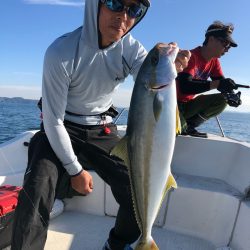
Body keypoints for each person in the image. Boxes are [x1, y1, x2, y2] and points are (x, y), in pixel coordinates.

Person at [11, 0, 190, 249]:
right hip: (61, 126)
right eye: (115, 3)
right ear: (95, 4)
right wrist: (74, 170)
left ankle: (117, 244)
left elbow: (149, 82)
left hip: (101, 129)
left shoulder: (132, 49)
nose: (123, 16)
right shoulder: (61, 52)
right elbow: (53, 121)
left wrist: (170, 65)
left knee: (134, 187)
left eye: (133, 10)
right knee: (37, 188)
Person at [176, 20, 242, 138]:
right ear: (211, 39)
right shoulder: (190, 56)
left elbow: (222, 84)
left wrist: (232, 96)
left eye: (229, 46)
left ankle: (189, 126)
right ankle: (183, 126)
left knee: (223, 99)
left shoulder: (214, 61)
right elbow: (185, 86)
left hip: (188, 105)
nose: (227, 49)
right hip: (172, 105)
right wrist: (216, 84)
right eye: (225, 43)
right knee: (179, 130)